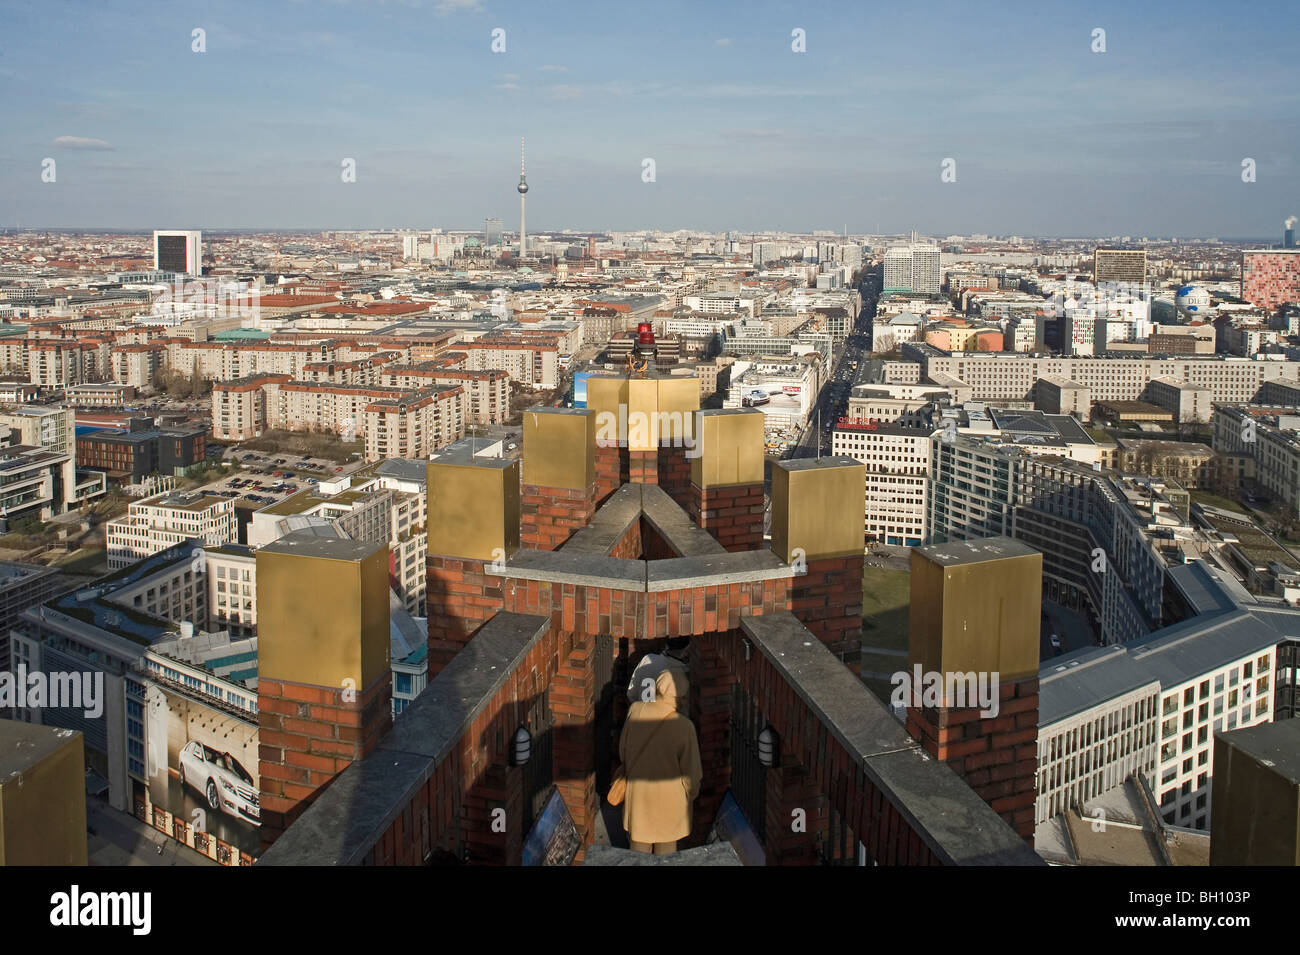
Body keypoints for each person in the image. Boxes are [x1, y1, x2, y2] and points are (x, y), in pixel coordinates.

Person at [618, 666, 702, 855]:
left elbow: (622, 752)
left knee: (637, 856)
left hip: (639, 798)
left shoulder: (636, 710)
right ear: (679, 697)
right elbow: (692, 774)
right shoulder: (684, 727)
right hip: (670, 805)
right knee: (666, 857)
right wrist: (690, 795)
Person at [626, 636, 690, 704]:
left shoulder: (647, 659)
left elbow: (631, 695)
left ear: (666, 645)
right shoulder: (684, 672)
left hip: (640, 712)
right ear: (686, 651)